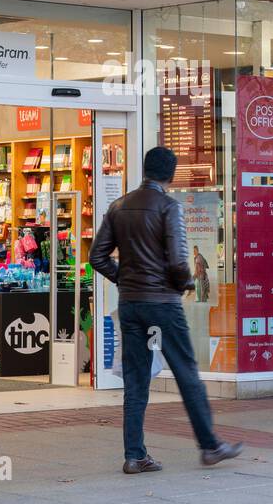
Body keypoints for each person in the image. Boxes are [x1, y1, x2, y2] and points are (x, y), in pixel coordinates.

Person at [89, 146, 243, 474]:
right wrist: (184, 283)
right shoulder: (168, 207)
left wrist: (124, 279)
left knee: (135, 379)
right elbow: (177, 260)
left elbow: (97, 257)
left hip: (130, 305)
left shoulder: (119, 207)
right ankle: (210, 446)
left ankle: (134, 455)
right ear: (171, 175)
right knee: (186, 373)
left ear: (145, 170)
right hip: (162, 305)